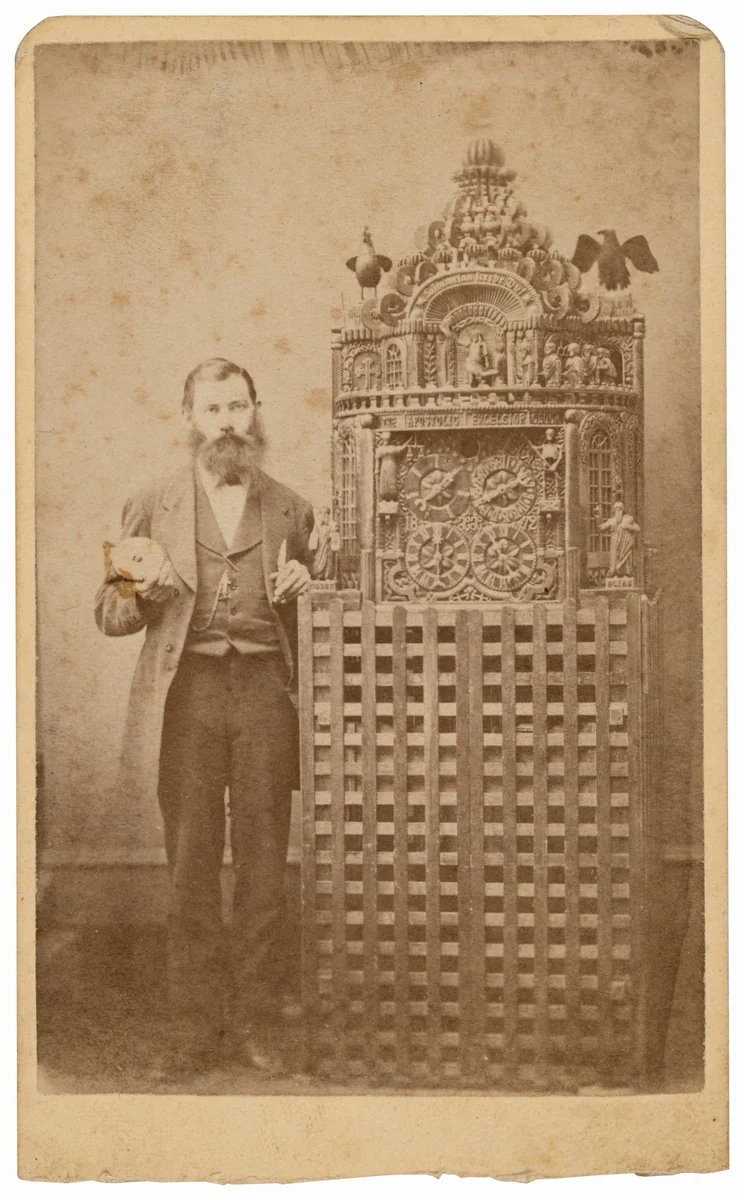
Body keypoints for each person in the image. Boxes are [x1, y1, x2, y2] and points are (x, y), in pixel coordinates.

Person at [95, 357, 314, 1078]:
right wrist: (143, 587)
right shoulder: (150, 502)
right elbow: (111, 614)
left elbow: (318, 621)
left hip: (262, 694)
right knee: (190, 861)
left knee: (262, 862)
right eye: (212, 408)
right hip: (186, 694)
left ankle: (255, 1022)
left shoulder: (292, 508)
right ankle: (194, 1029)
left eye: (238, 406)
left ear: (256, 411)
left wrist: (310, 590)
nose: (226, 421)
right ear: (188, 416)